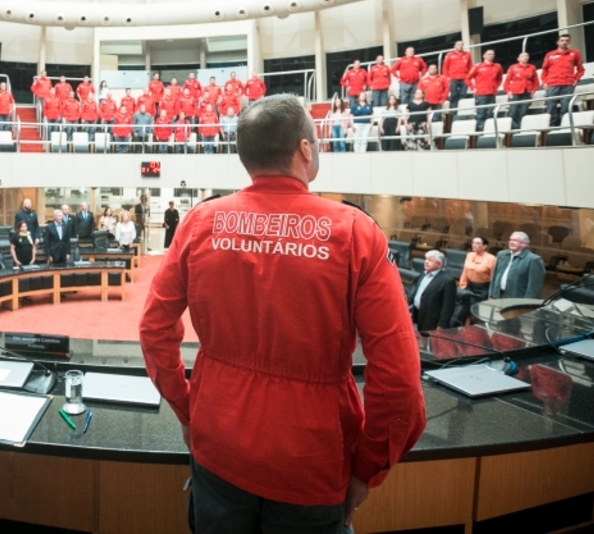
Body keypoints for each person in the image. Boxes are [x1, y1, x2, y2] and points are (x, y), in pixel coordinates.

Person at [139, 94, 425, 534]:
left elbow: (154, 330)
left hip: (218, 443)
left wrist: (188, 408)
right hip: (311, 461)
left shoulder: (199, 222)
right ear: (305, 150)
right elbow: (400, 380)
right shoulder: (355, 232)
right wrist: (367, 468)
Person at [541, 33, 584, 127]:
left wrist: (576, 79)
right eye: (562, 40)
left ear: (569, 41)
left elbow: (581, 69)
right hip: (552, 84)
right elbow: (544, 70)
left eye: (567, 41)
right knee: (551, 107)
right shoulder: (550, 55)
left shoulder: (575, 53)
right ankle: (552, 127)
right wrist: (544, 82)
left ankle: (565, 127)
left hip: (567, 84)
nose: (564, 42)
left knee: (566, 107)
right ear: (557, 42)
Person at [409, 250, 458, 331]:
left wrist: (441, 325)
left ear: (439, 264)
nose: (426, 262)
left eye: (430, 260)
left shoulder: (447, 281)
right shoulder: (423, 274)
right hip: (417, 315)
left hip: (431, 321)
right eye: (426, 259)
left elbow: (448, 307)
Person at [489, 231, 546, 299]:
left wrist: (526, 304)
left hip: (516, 300)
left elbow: (534, 287)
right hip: (498, 296)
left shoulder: (533, 260)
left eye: (515, 240)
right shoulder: (501, 255)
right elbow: (495, 276)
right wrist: (491, 294)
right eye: (510, 240)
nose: (511, 242)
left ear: (524, 244)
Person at [457, 236, 497, 324]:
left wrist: (491, 295)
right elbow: (465, 271)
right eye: (473, 242)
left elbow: (493, 278)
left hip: (482, 289)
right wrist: (462, 286)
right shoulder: (469, 255)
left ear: (485, 246)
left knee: (476, 315)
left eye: (478, 243)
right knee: (462, 312)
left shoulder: (492, 259)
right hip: (469, 286)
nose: (474, 245)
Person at [466, 49, 503, 133]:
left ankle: (490, 131)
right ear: (484, 56)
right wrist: (473, 88)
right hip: (481, 94)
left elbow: (499, 78)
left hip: (492, 93)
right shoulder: (477, 67)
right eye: (489, 54)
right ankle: (481, 131)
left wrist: (496, 87)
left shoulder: (497, 66)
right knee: (481, 114)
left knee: (490, 113)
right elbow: (467, 78)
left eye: (493, 54)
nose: (491, 56)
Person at [503, 52, 539, 130]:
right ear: (518, 58)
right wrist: (508, 91)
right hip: (514, 92)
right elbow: (507, 81)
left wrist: (533, 90)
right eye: (523, 56)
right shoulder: (513, 67)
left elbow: (536, 81)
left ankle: (523, 127)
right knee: (513, 111)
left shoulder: (532, 67)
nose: (525, 57)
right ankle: (515, 128)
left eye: (527, 56)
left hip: (527, 92)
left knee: (524, 111)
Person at [442, 40, 473, 109]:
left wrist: (469, 76)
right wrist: (446, 77)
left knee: (463, 94)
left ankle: (463, 111)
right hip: (453, 78)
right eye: (458, 44)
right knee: (454, 95)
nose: (460, 46)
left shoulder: (467, 54)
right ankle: (453, 111)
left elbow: (470, 67)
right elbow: (445, 67)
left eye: (462, 44)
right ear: (455, 46)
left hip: (464, 78)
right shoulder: (449, 55)